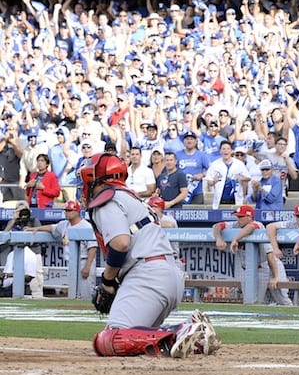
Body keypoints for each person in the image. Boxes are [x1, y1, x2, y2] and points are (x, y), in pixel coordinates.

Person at [78, 153, 219, 358]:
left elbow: (120, 243)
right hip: (166, 274)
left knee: (112, 339)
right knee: (140, 338)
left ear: (95, 180)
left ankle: (181, 330)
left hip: (148, 275)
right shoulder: (130, 197)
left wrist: (108, 281)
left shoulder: (107, 199)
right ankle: (194, 338)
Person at [212, 205, 291, 305]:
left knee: (281, 296)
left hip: (266, 264)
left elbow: (269, 254)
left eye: (241, 217)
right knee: (251, 301)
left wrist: (236, 239)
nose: (238, 219)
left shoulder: (258, 225)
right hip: (248, 269)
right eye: (237, 216)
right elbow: (217, 226)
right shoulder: (236, 225)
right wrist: (219, 239)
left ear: (249, 217)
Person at [24, 200, 97, 300]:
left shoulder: (86, 226)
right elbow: (52, 227)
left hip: (84, 261)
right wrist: (35, 228)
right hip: (71, 263)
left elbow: (92, 247)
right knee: (73, 294)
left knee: (86, 293)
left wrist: (87, 267)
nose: (66, 212)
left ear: (77, 211)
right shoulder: (64, 224)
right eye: (65, 210)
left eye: (69, 210)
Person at [3, 202, 45, 298]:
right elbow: (4, 235)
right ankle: (14, 294)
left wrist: (30, 229)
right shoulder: (14, 221)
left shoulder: (34, 220)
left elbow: (40, 235)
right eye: (19, 210)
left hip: (33, 251)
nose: (22, 213)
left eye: (24, 210)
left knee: (36, 279)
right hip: (17, 252)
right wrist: (14, 219)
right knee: (11, 277)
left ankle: (38, 297)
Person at [205, 140, 250, 208]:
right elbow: (209, 182)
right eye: (223, 149)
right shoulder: (215, 164)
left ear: (232, 151)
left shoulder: (239, 164)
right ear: (220, 151)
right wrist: (213, 181)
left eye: (228, 149)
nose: (226, 151)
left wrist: (241, 178)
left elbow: (248, 177)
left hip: (235, 199)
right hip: (220, 200)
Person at [176, 130, 210, 205]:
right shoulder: (177, 155)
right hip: (181, 191)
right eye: (187, 139)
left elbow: (211, 170)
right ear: (183, 141)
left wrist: (202, 175)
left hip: (197, 191)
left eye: (191, 139)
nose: (189, 141)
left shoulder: (201, 155)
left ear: (195, 141)